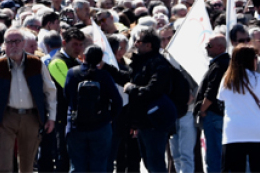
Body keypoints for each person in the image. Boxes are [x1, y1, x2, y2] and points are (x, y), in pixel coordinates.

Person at [0, 27, 57, 173]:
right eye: (9, 42)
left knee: (27, 167)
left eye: (17, 42)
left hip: (31, 117)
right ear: (4, 45)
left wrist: (51, 118)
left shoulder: (37, 63)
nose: (13, 45)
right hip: (6, 118)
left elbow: (50, 91)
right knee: (4, 167)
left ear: (23, 43)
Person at [123, 27, 176, 173]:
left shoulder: (159, 64)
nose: (135, 44)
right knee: (149, 163)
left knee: (155, 164)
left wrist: (132, 89)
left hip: (154, 121)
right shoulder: (141, 62)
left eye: (139, 41)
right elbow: (128, 78)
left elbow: (154, 90)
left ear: (149, 45)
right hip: (143, 122)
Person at [218, 44, 260, 172]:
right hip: (259, 131)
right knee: (259, 168)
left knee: (235, 169)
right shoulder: (259, 78)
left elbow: (221, 98)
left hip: (234, 132)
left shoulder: (227, 81)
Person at [64, 45, 122, 173]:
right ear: (101, 59)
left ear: (83, 56)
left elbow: (66, 96)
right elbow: (118, 101)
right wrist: (109, 118)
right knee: (99, 166)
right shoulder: (104, 76)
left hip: (76, 126)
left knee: (77, 166)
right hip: (100, 127)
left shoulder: (72, 73)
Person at [197, 34, 230, 173]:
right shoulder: (225, 63)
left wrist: (202, 109)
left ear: (220, 47)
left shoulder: (219, 65)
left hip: (214, 115)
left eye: (210, 45)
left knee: (214, 156)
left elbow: (212, 92)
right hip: (221, 115)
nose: (206, 48)